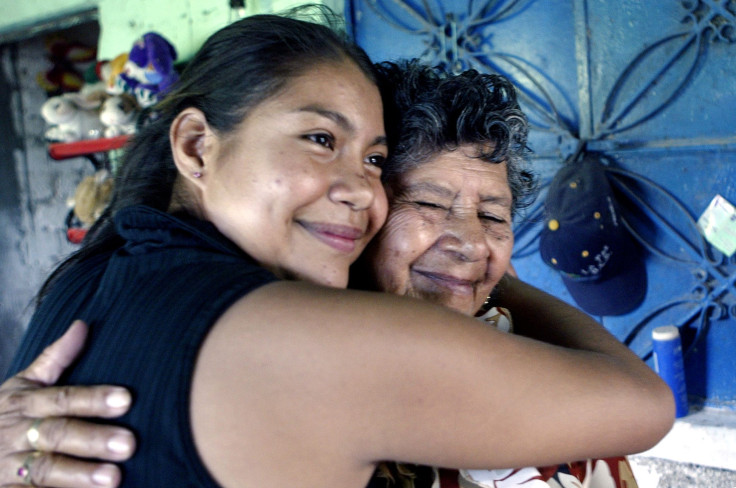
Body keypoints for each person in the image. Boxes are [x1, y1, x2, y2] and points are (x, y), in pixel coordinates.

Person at [0, 10, 673, 488]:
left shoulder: (91, 278)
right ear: (196, 145)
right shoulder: (315, 343)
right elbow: (643, 406)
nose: (356, 188)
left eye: (375, 160)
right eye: (320, 139)